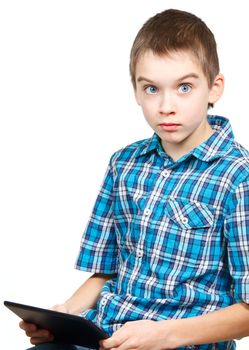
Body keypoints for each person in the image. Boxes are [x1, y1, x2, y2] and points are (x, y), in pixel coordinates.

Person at [20, 8, 249, 350]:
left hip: (181, 344)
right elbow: (108, 272)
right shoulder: (124, 164)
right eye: (152, 89)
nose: (166, 105)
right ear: (136, 92)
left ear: (214, 88)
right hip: (108, 335)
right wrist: (66, 313)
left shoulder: (237, 176)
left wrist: (163, 334)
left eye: (184, 87)